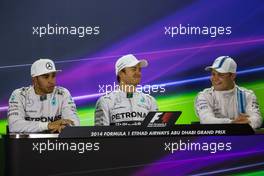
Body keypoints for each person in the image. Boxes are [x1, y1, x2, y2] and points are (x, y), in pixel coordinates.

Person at [8, 58, 80, 133]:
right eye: (46, 77)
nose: (51, 81)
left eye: (53, 76)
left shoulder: (63, 93)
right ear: (35, 79)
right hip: (26, 144)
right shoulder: (19, 95)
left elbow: (74, 123)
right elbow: (14, 125)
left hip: (55, 144)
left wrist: (66, 127)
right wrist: (48, 125)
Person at [195, 56, 262, 129]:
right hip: (215, 140)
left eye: (220, 75)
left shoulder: (248, 95)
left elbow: (257, 119)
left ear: (233, 76)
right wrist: (231, 123)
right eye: (213, 74)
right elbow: (206, 120)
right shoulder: (204, 96)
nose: (215, 79)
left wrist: (250, 121)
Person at [94, 54, 158, 126]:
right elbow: (100, 134)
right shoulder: (106, 102)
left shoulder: (150, 101)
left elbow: (156, 132)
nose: (138, 73)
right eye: (133, 69)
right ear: (121, 73)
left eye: (139, 70)